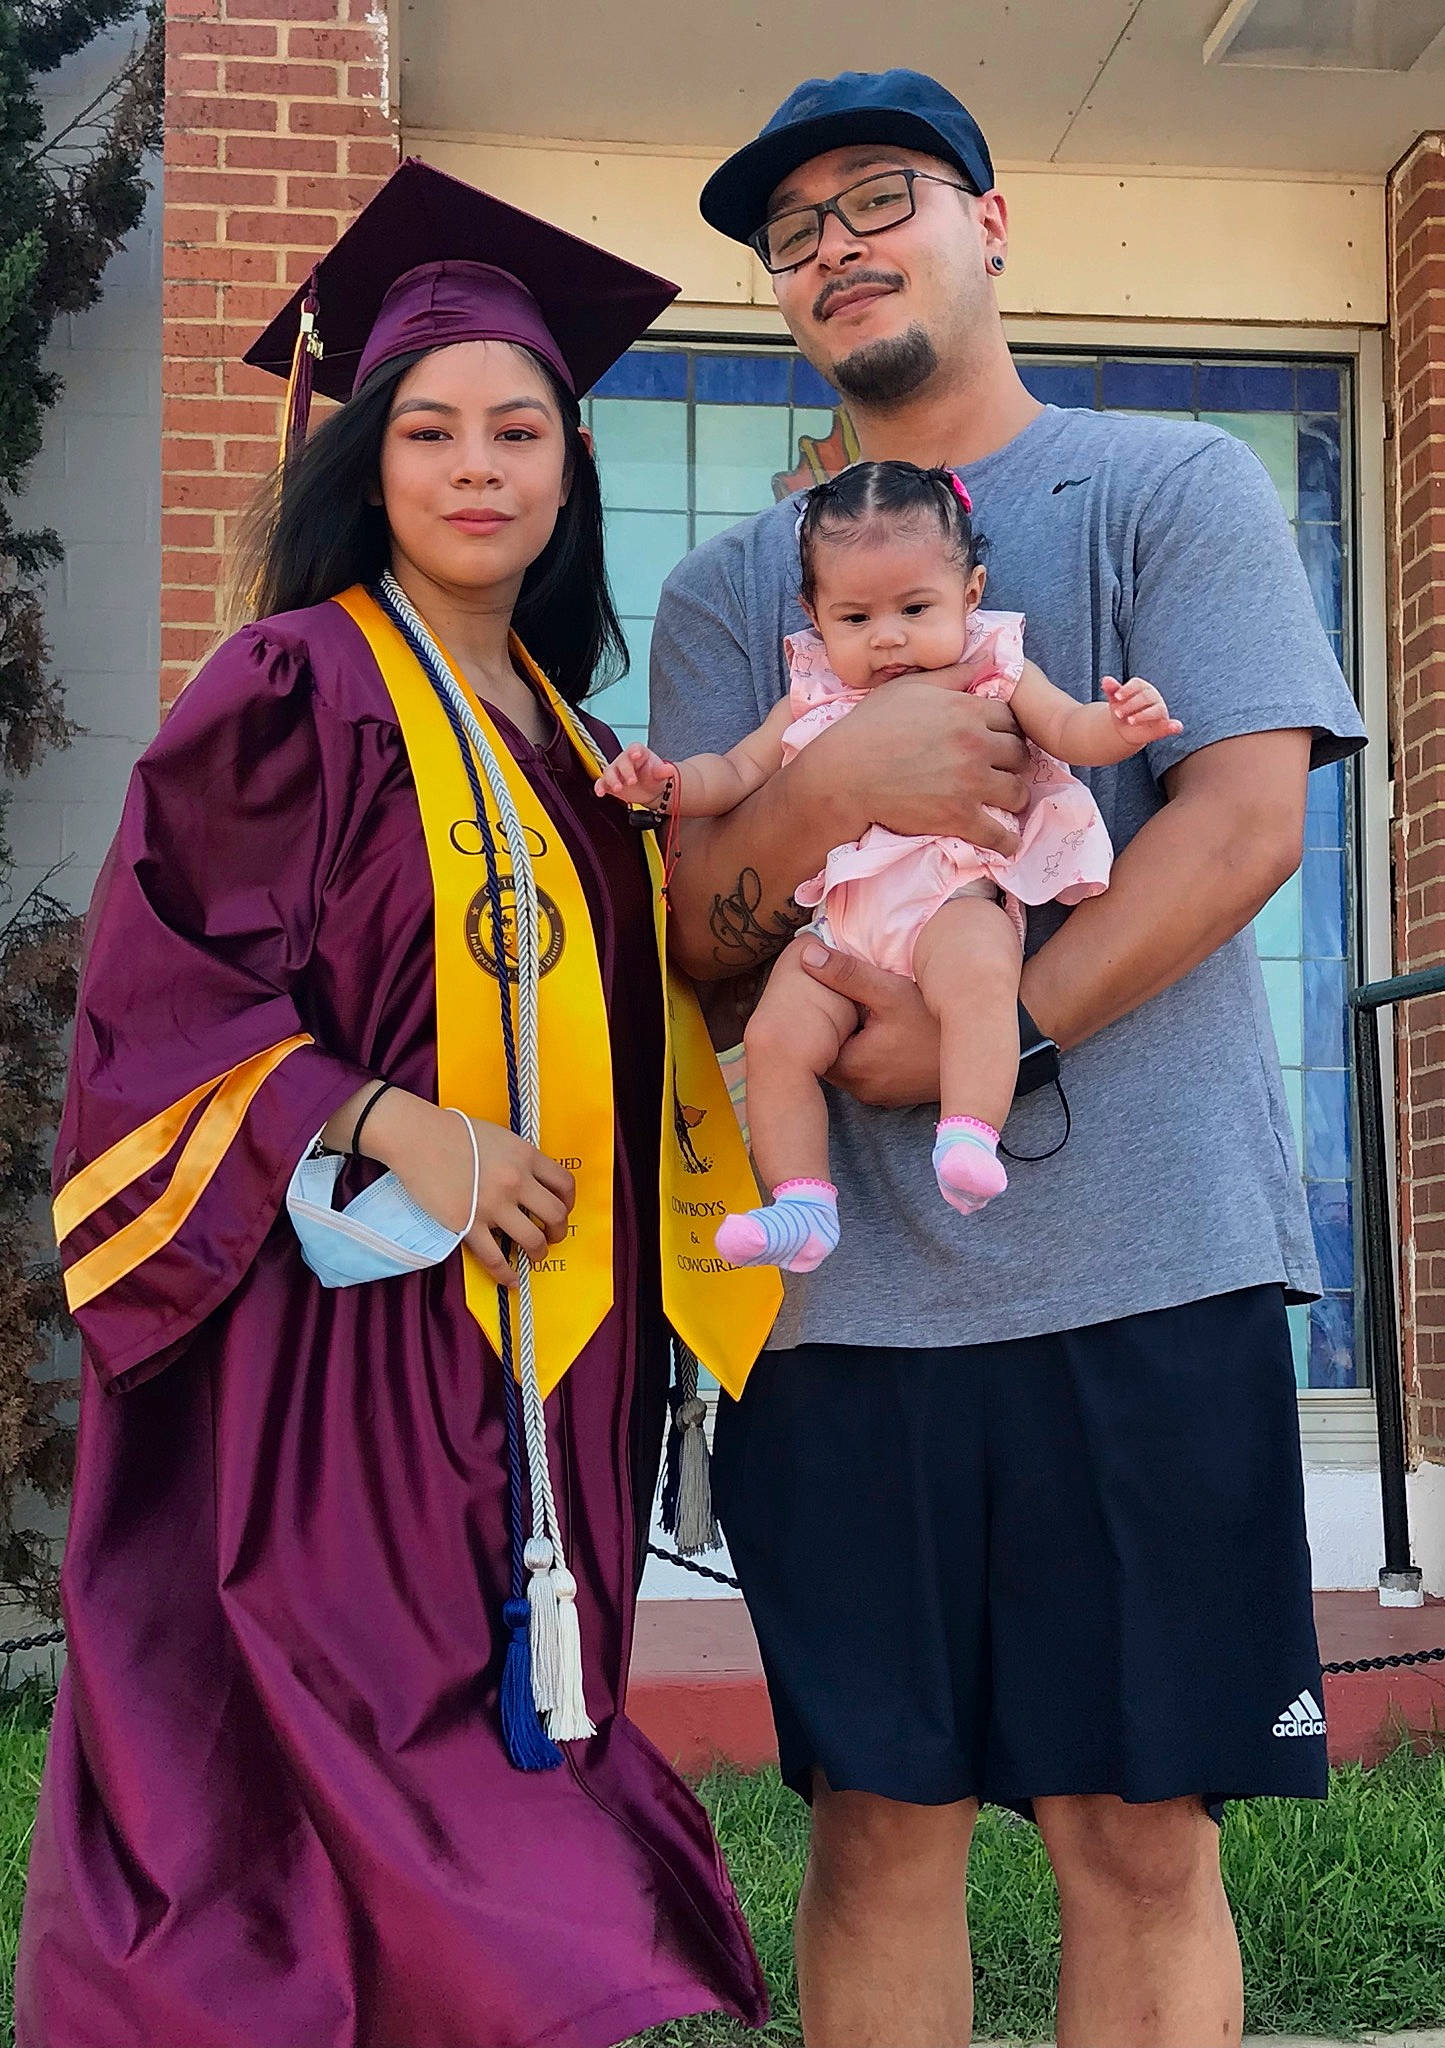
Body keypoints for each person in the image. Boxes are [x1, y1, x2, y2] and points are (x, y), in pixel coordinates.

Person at [17, 159, 781, 2048]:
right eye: (427, 427)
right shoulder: (294, 686)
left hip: (552, 1345)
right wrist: (376, 1114)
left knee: (507, 1762)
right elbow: (156, 988)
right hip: (349, 1354)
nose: (475, 465)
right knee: (363, 1782)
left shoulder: (582, 742)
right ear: (366, 460)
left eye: (519, 428)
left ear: (566, 468)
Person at [649, 69, 1368, 2048]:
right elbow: (700, 946)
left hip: (1149, 1273)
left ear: (988, 227)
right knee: (877, 1824)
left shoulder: (1170, 487)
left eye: (882, 198)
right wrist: (835, 794)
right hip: (836, 1315)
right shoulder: (730, 593)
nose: (837, 247)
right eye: (792, 233)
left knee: (1138, 1835)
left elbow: (1239, 828)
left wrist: (993, 1031)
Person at [599, 459, 1177, 1265]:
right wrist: (667, 785)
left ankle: (969, 1131)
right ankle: (802, 1203)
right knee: (775, 1039)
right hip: (842, 928)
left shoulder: (993, 667)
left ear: (969, 595)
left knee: (979, 977)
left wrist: (1122, 725)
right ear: (813, 615)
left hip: (952, 899)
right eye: (856, 617)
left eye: (915, 608)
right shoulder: (810, 695)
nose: (889, 637)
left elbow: (1071, 730)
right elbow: (733, 774)